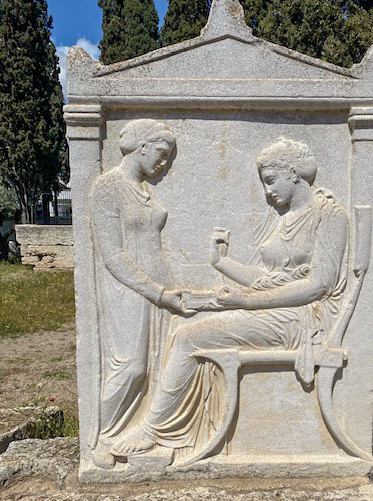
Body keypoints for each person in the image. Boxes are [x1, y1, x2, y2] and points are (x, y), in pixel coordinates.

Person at [111, 136, 349, 462]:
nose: (267, 191)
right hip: (281, 310)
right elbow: (269, 280)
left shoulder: (331, 215)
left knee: (189, 336)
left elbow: (317, 286)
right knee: (192, 322)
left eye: (271, 180)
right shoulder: (287, 218)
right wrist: (222, 264)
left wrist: (246, 302)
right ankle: (178, 429)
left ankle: (154, 430)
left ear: (293, 173)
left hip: (305, 321)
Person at [89, 119, 186, 468]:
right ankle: (104, 437)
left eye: (169, 156)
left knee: (159, 365)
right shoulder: (107, 187)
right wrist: (157, 292)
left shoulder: (144, 189)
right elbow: (113, 256)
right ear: (142, 147)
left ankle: (145, 434)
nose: (164, 162)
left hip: (161, 289)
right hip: (128, 290)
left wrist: (167, 290)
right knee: (131, 367)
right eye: (161, 153)